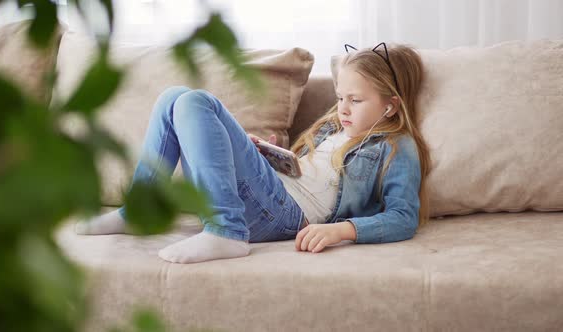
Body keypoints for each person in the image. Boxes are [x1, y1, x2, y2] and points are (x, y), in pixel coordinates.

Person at [75, 42, 431, 264]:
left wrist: (343, 231)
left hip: (287, 215)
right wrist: (266, 154)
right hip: (272, 194)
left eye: (356, 100)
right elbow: (306, 175)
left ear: (390, 106)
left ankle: (226, 231)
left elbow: (403, 217)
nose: (343, 109)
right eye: (340, 98)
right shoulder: (333, 128)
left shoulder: (397, 147)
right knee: (175, 97)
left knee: (198, 102)